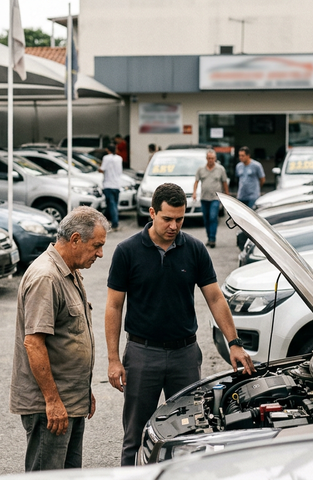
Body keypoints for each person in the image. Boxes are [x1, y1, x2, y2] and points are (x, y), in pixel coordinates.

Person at [105, 183, 255, 466]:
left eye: (180, 219)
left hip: (184, 355)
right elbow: (114, 306)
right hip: (142, 354)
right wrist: (113, 359)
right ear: (152, 213)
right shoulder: (127, 251)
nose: (174, 226)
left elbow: (215, 298)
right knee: (135, 436)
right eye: (167, 219)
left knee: (189, 433)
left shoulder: (194, 249)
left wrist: (234, 343)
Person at [10, 207, 109, 471]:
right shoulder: (46, 277)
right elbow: (34, 343)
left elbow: (69, 337)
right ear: (75, 239)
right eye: (96, 246)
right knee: (48, 475)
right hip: (51, 407)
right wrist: (52, 401)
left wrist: (83, 391)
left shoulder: (68, 270)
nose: (100, 253)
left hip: (69, 401)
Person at [192, 149, 229, 248]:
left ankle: (212, 238)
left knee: (213, 217)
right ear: (206, 158)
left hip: (215, 198)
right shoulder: (201, 169)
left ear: (215, 158)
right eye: (209, 158)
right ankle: (209, 237)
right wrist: (194, 193)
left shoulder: (220, 169)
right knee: (206, 219)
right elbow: (196, 182)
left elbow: (224, 182)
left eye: (212, 158)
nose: (210, 160)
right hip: (204, 198)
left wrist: (227, 195)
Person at [99, 143, 123, 231]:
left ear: (107, 150)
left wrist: (98, 168)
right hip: (117, 184)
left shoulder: (106, 158)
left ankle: (115, 223)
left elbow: (102, 169)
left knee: (111, 204)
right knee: (114, 205)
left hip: (108, 185)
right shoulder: (119, 158)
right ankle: (110, 221)